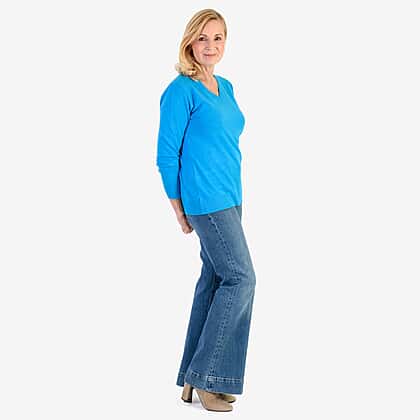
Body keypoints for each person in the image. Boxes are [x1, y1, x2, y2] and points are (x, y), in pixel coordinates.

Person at [156, 9, 256, 412]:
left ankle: (191, 378)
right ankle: (206, 376)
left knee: (215, 280)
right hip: (205, 200)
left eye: (217, 38)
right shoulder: (180, 90)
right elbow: (167, 155)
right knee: (241, 278)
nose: (210, 46)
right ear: (189, 43)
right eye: (202, 38)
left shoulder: (225, 87)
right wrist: (179, 209)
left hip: (231, 196)